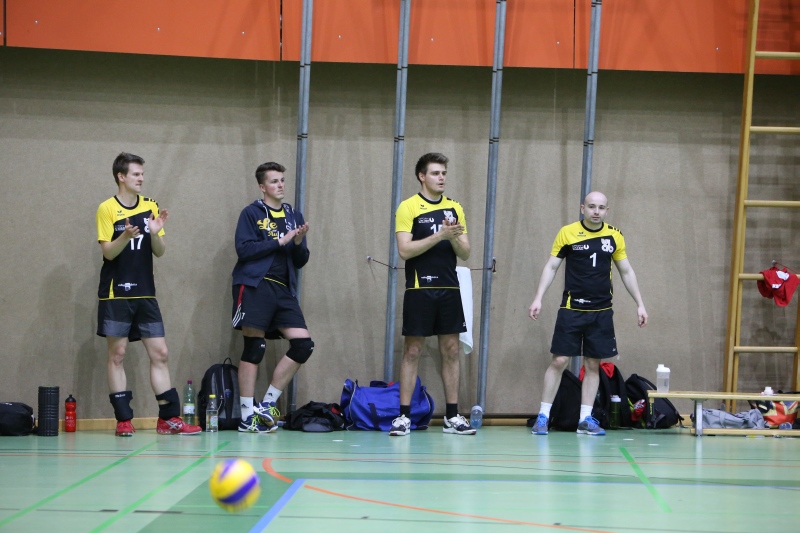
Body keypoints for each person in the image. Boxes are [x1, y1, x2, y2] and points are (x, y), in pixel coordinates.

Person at [96, 152, 201, 436]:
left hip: (145, 293)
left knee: (161, 353)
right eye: (136, 174)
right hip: (116, 293)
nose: (141, 178)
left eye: (142, 173)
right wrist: (124, 237)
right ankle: (123, 420)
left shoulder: (150, 206)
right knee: (117, 354)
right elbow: (108, 252)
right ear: (121, 177)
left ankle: (168, 418)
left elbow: (160, 251)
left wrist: (154, 233)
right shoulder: (107, 208)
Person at [528, 191, 648, 436]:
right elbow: (552, 266)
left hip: (601, 312)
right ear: (582, 208)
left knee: (593, 364)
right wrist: (538, 297)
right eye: (591, 206)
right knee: (559, 361)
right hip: (572, 309)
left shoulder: (614, 235)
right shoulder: (567, 233)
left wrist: (640, 303)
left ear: (607, 210)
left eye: (601, 207)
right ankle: (543, 416)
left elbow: (626, 271)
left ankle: (585, 419)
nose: (596, 211)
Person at [390, 152, 475, 437]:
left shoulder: (455, 208)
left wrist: (453, 237)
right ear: (422, 176)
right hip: (419, 289)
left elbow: (465, 252)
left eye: (444, 173)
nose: (441, 178)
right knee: (412, 351)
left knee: (451, 350)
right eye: (436, 173)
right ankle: (404, 417)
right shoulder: (408, 207)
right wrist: (439, 235)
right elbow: (405, 250)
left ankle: (452, 416)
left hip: (449, 288)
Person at [231, 162, 312, 433]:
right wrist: (279, 241)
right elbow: (243, 249)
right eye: (274, 181)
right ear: (262, 186)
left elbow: (300, 260)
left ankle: (266, 405)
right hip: (255, 285)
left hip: (283, 288)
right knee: (254, 347)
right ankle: (246, 416)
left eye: (282, 180)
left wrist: (297, 242)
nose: (280, 185)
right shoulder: (251, 213)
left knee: (303, 345)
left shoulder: (293, 215)